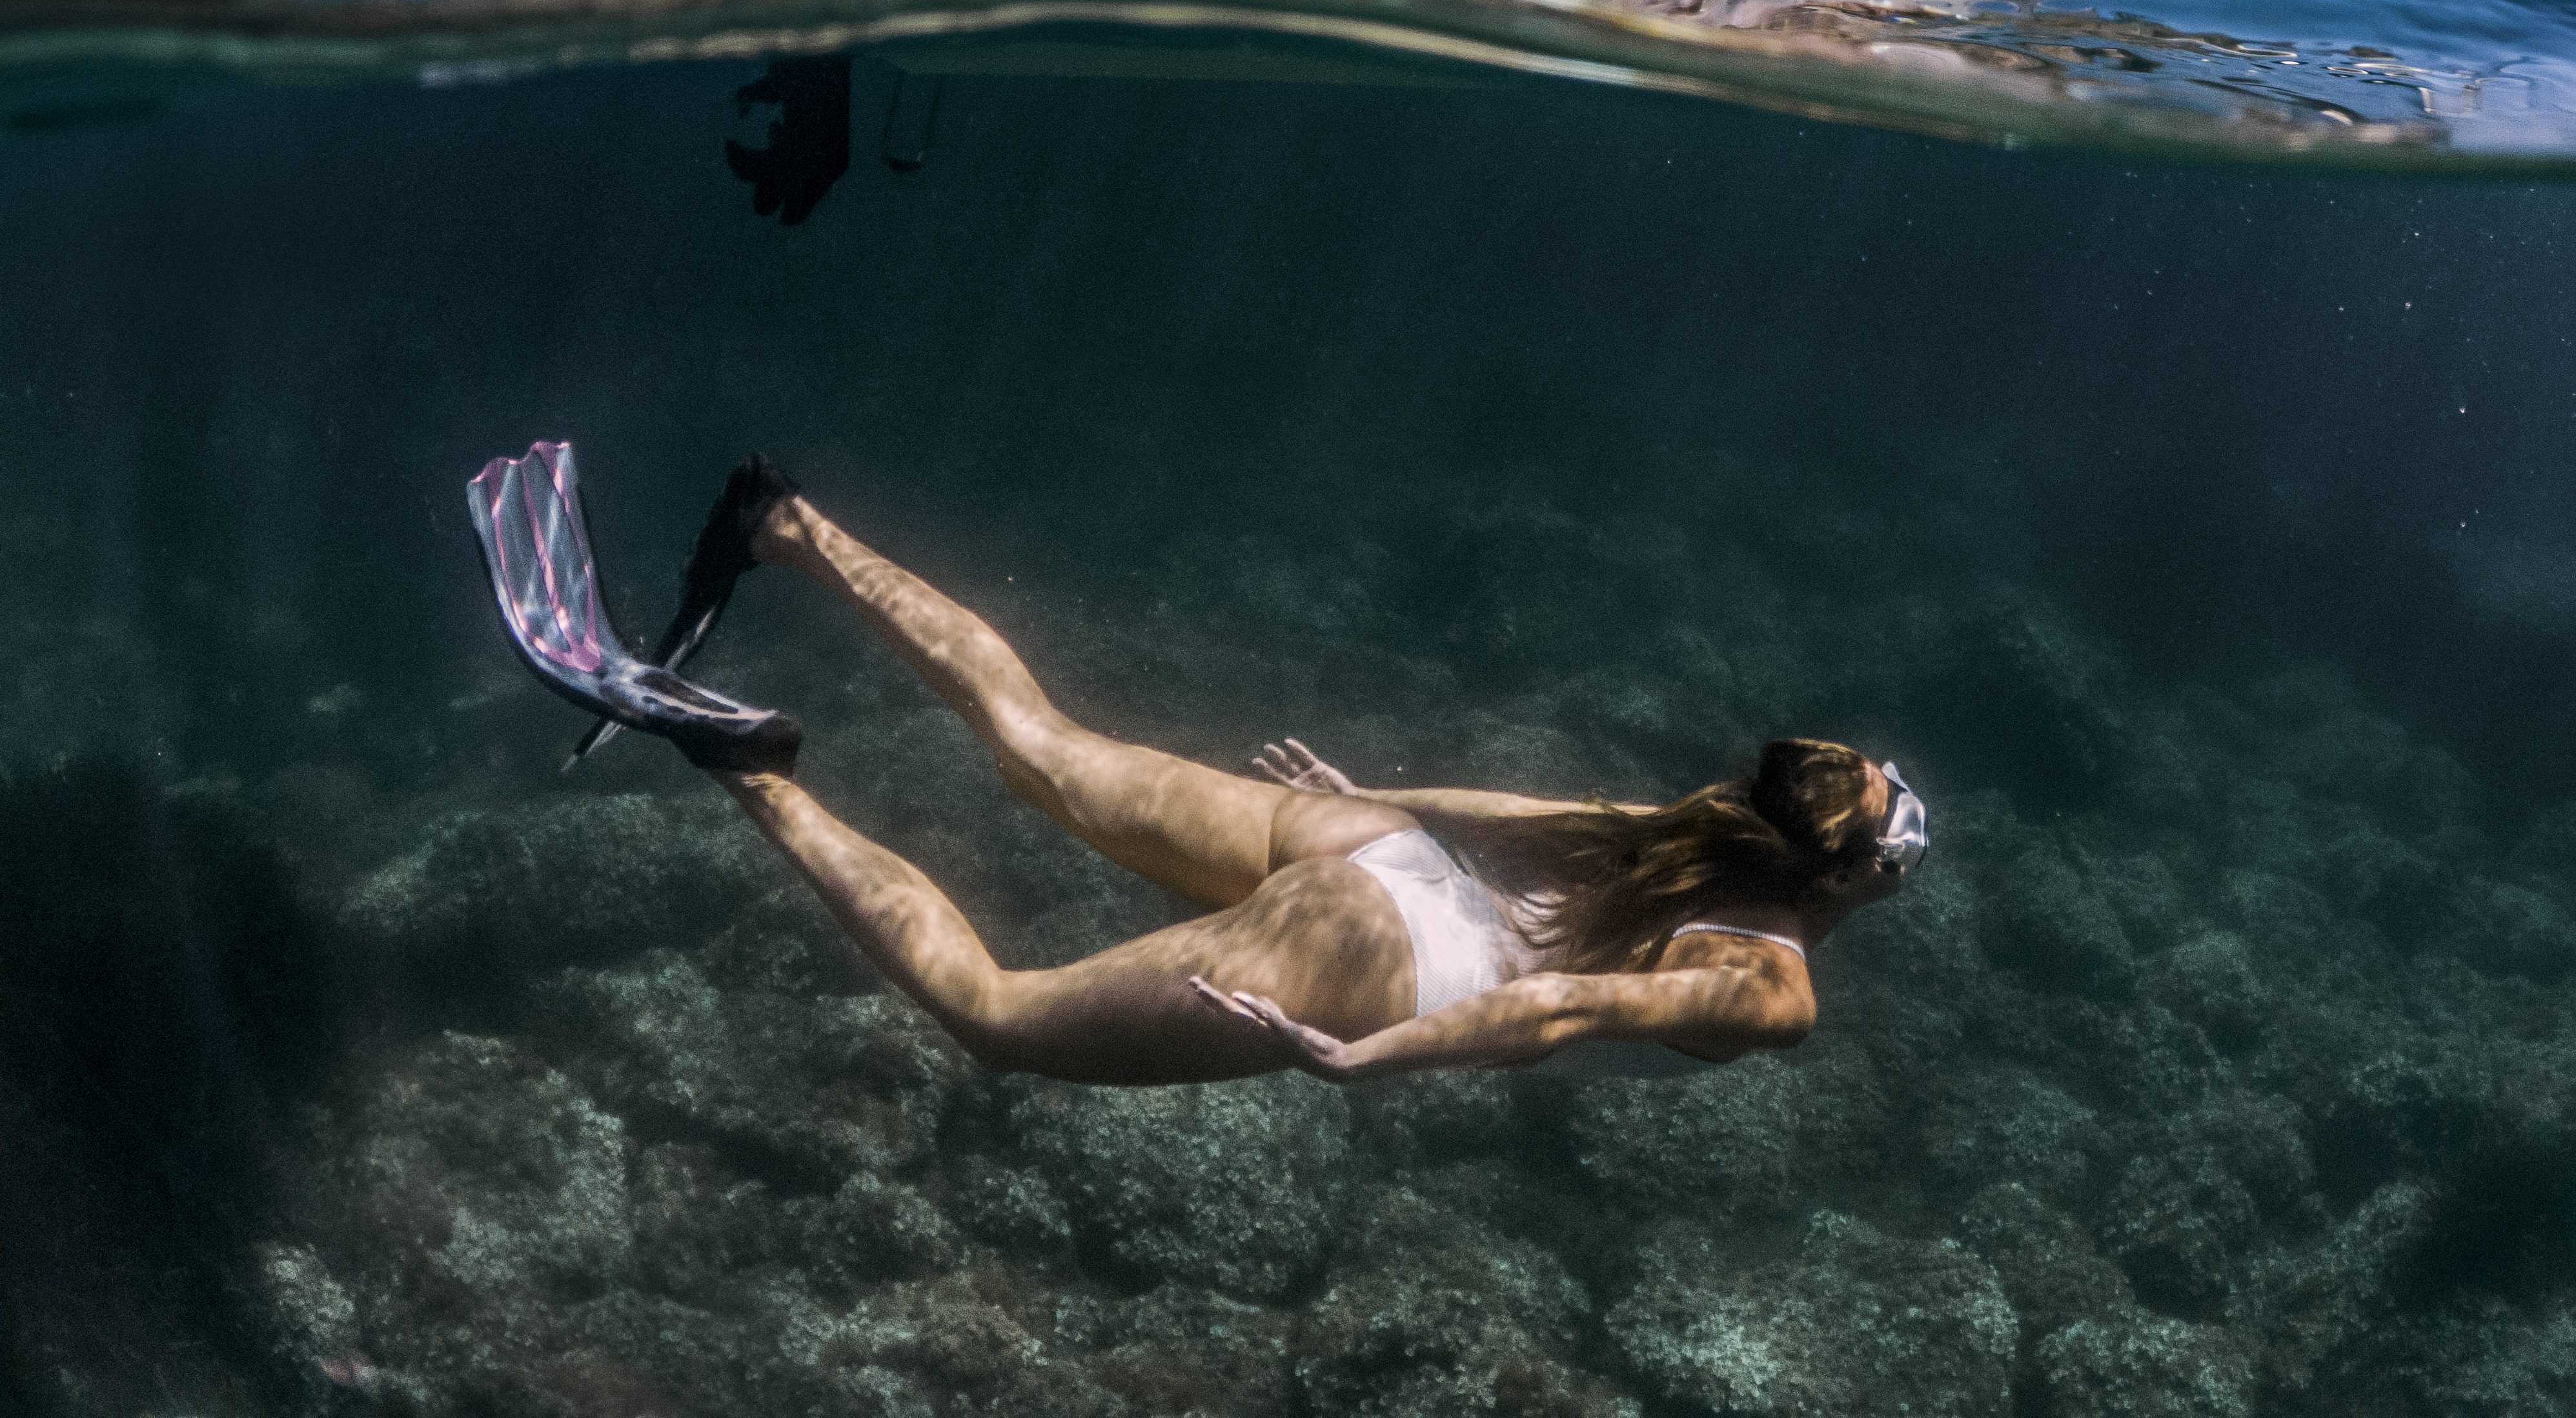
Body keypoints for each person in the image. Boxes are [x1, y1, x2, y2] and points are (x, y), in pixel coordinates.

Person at [460, 442, 1927, 1085]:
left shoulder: (1688, 824)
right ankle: (751, 763)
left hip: (1382, 858)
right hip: (1384, 961)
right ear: (1851, 884)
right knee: (993, 1014)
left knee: (1047, 749)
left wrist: (1373, 801)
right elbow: (1558, 1006)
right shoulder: (1776, 992)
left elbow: (1513, 815)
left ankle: (787, 527)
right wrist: (1373, 1054)